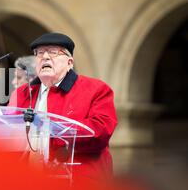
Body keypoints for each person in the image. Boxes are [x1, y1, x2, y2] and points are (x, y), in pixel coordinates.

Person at [9, 32, 118, 181]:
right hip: (30, 184)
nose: (45, 57)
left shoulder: (95, 89)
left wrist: (51, 128)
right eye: (40, 53)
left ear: (69, 63)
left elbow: (100, 132)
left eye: (53, 52)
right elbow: (7, 133)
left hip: (80, 185)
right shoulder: (21, 93)